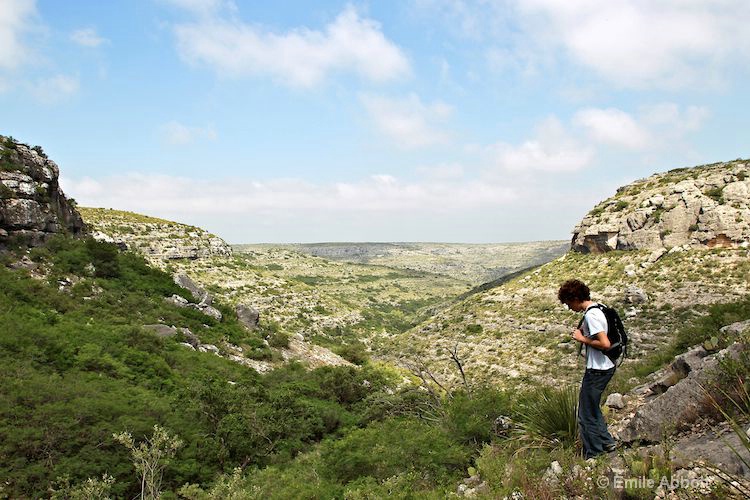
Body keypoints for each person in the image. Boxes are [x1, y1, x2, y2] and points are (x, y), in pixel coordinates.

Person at [558, 279, 617, 459]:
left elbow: (605, 343)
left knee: (585, 414)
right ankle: (606, 441)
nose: (570, 308)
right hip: (605, 366)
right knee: (592, 408)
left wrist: (581, 339)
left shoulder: (591, 315)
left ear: (575, 298)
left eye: (569, 303)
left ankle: (594, 453)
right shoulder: (599, 307)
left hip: (597, 369)